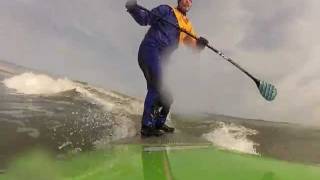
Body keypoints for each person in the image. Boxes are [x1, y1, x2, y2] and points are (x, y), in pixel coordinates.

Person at [126, 0, 208, 137]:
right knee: (157, 86)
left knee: (168, 96)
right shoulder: (166, 10)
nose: (186, 1)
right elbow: (144, 19)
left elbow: (193, 47)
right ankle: (147, 126)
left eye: (189, 0)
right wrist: (132, 8)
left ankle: (158, 123)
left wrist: (200, 45)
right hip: (150, 50)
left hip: (163, 59)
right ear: (179, 1)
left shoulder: (187, 25)